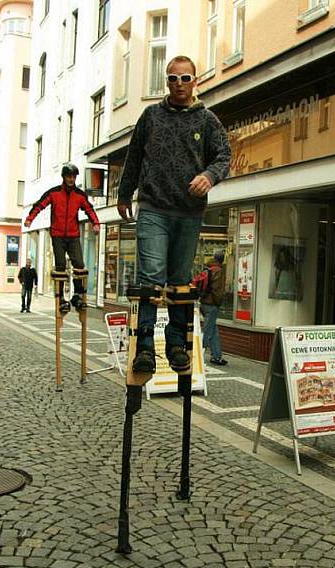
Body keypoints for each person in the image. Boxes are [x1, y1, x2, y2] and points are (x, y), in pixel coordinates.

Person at [118, 55, 231, 373]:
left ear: (196, 81)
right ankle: (144, 349)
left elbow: (224, 154)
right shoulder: (151, 115)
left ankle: (176, 343)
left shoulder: (207, 120)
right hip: (153, 206)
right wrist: (124, 193)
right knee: (151, 279)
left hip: (188, 212)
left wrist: (210, 175)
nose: (179, 84)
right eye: (172, 78)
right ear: (166, 82)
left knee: (180, 281)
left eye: (185, 78)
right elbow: (134, 155)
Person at [24, 163, 100, 311]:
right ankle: (61, 298)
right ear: (64, 177)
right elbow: (40, 205)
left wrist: (95, 223)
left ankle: (77, 295)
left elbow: (89, 209)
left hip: (73, 235)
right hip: (58, 235)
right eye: (69, 176)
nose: (71, 179)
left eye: (73, 177)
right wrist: (29, 219)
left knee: (79, 264)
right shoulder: (54, 193)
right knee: (60, 266)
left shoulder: (79, 195)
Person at [200, 249, 227, 366]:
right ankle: (197, 352)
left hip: (204, 302)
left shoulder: (209, 268)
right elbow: (217, 290)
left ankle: (216, 356)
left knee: (213, 330)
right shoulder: (219, 270)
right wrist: (218, 302)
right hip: (212, 304)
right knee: (208, 332)